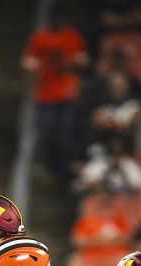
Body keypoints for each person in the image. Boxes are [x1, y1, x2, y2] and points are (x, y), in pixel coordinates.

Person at [23, 16, 88, 184]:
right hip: (44, 94)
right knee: (47, 132)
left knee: (64, 134)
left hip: (65, 93)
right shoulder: (40, 38)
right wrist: (31, 66)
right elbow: (28, 62)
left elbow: (83, 60)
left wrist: (76, 63)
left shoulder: (71, 36)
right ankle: (49, 166)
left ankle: (63, 169)